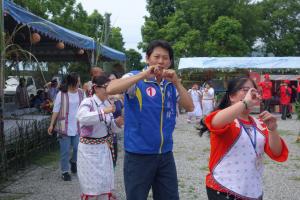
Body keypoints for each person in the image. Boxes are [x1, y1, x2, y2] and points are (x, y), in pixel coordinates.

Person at [106, 40, 194, 200]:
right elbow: (111, 89)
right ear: (148, 59)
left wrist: (176, 82)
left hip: (165, 154)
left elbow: (190, 107)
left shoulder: (170, 84)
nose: (161, 61)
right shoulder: (135, 78)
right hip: (138, 154)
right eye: (156, 56)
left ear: (170, 62)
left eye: (165, 58)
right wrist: (143, 74)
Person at [203, 77, 288, 200]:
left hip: (253, 191)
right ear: (232, 96)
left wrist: (272, 129)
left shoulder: (260, 124)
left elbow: (277, 152)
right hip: (223, 189)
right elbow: (215, 122)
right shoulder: (228, 120)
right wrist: (244, 103)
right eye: (246, 90)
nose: (251, 94)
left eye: (254, 91)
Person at [76, 75, 123, 200]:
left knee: (104, 184)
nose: (110, 91)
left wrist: (120, 120)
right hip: (89, 151)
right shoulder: (88, 102)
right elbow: (82, 117)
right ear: (96, 88)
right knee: (91, 186)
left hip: (104, 147)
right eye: (106, 87)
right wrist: (104, 112)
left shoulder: (108, 103)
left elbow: (111, 127)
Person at [48, 72, 84, 181]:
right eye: (78, 81)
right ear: (73, 82)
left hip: (78, 126)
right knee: (65, 150)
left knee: (78, 148)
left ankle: (74, 162)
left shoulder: (81, 93)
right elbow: (56, 110)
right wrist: (51, 125)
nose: (79, 83)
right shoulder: (61, 94)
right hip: (64, 127)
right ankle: (65, 171)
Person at [108, 73, 124, 168]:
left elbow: (124, 111)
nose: (112, 82)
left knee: (114, 160)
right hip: (104, 135)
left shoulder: (119, 97)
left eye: (114, 79)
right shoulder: (102, 96)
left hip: (115, 133)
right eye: (110, 80)